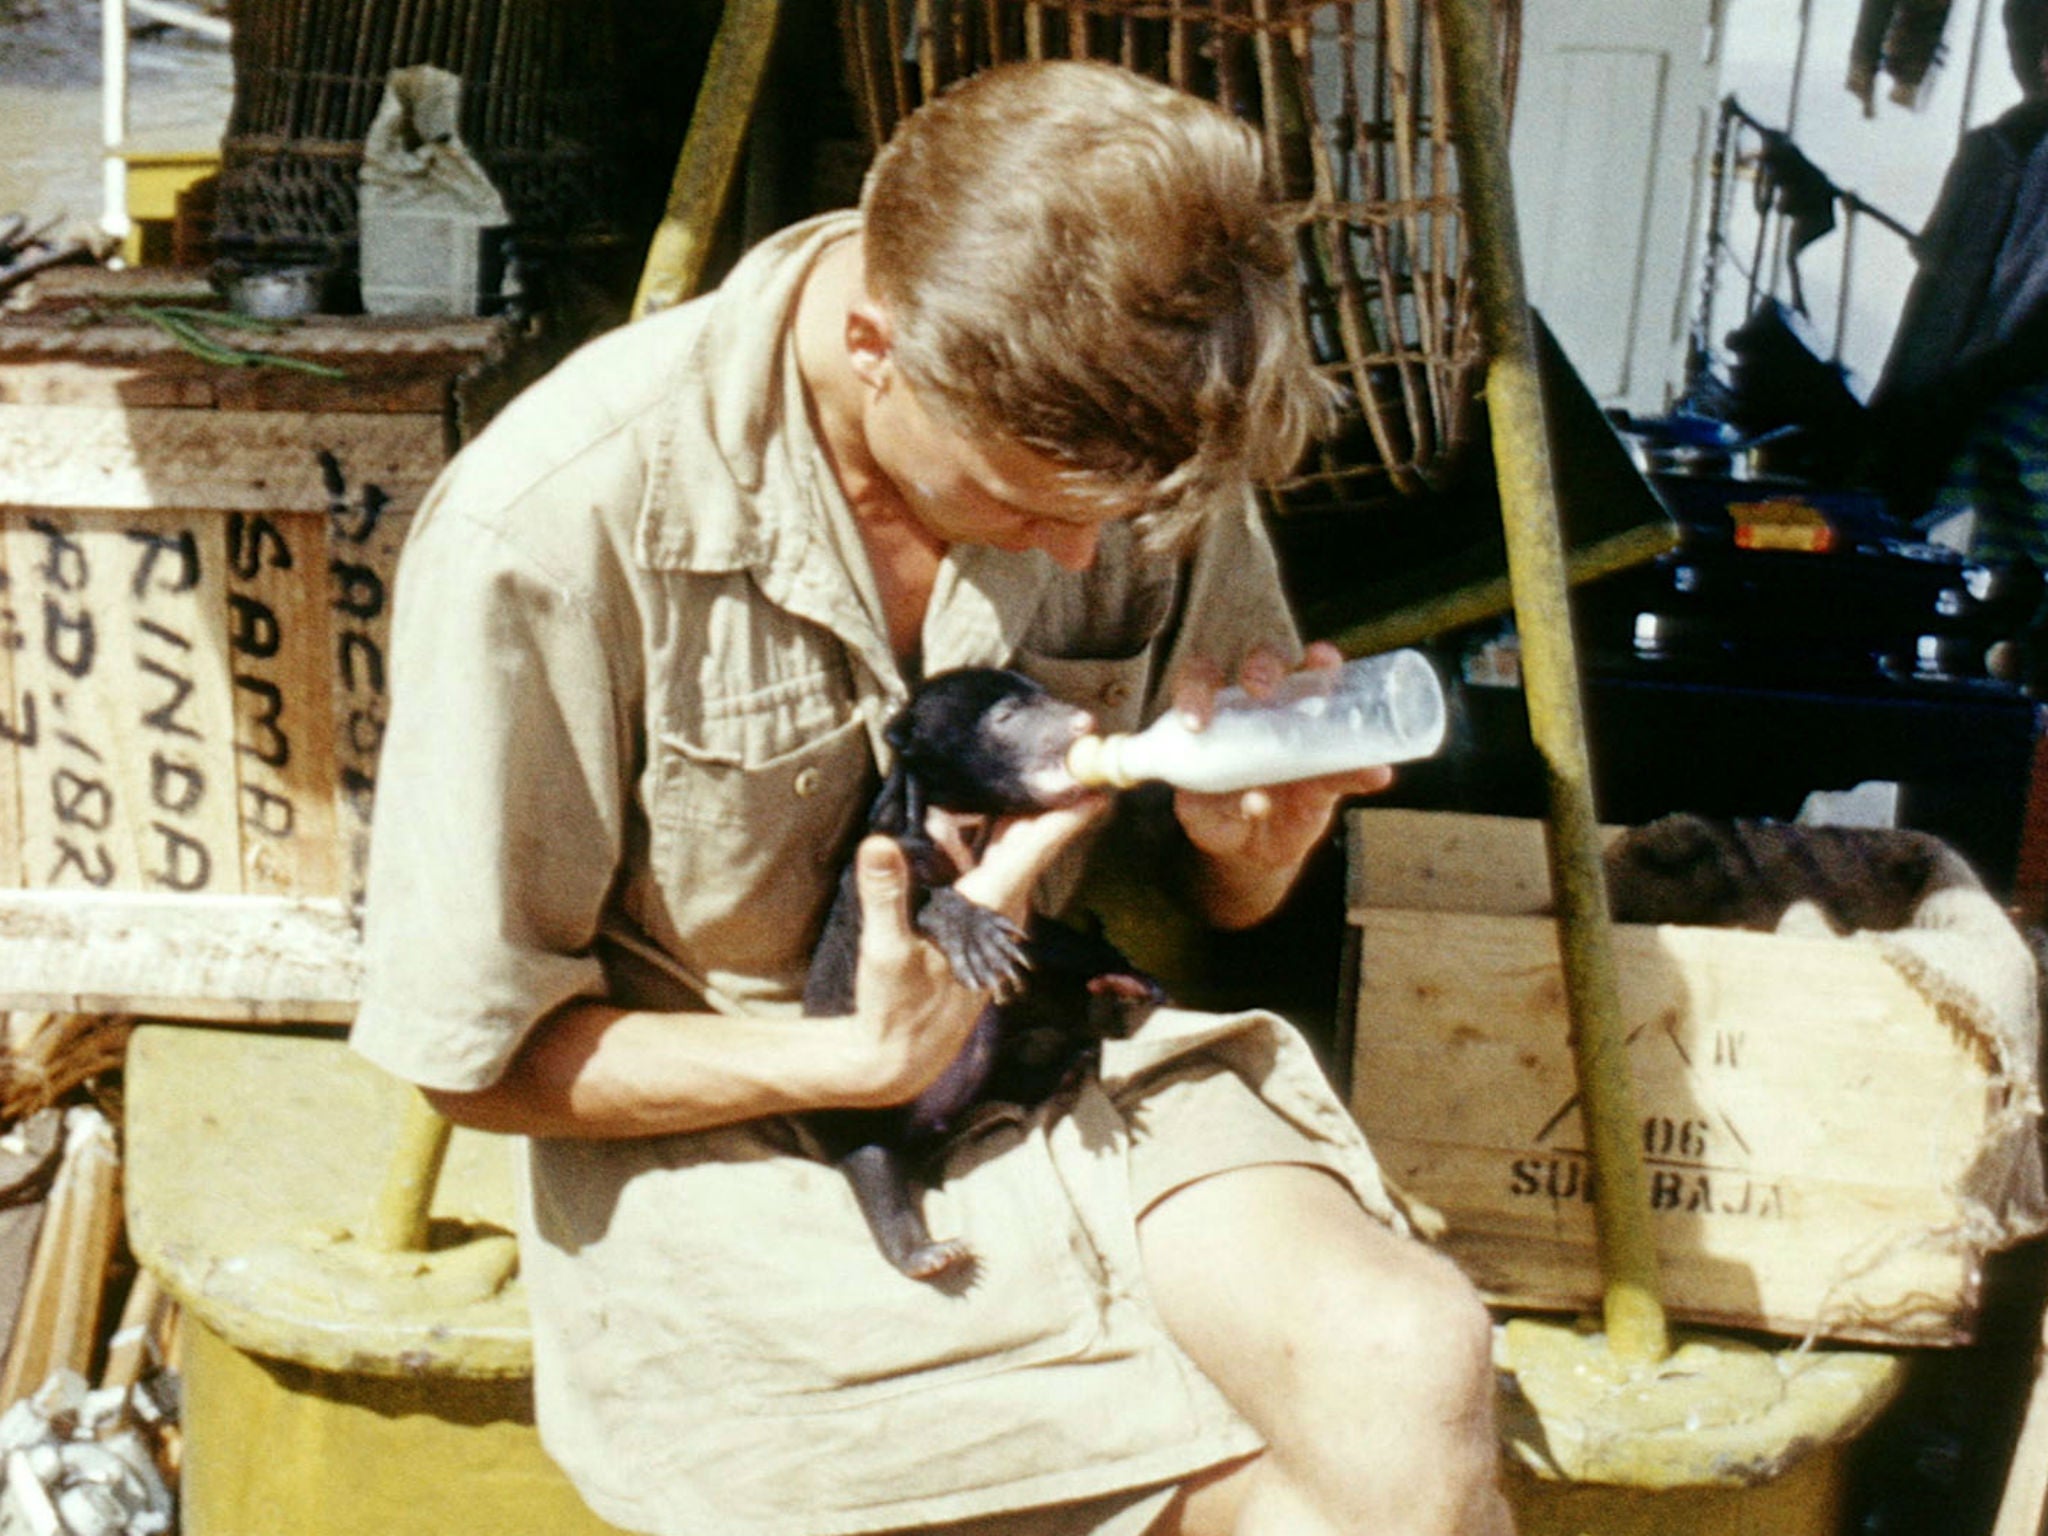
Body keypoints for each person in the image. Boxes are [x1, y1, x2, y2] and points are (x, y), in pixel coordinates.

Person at [351, 58, 1514, 1536]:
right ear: (873, 342)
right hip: (745, 1151)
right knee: (1094, 1496)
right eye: (1025, 506)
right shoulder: (553, 527)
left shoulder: (1115, 434)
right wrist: (847, 1059)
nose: (1084, 560)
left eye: (1113, 518)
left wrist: (1252, 849)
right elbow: (474, 1056)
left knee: (1411, 1359)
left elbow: (1228, 884)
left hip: (1065, 1066)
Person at [1866, 0, 2048, 565]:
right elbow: (1929, 322)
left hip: (2006, 447)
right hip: (1948, 436)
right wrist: (1884, 437)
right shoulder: (1995, 153)